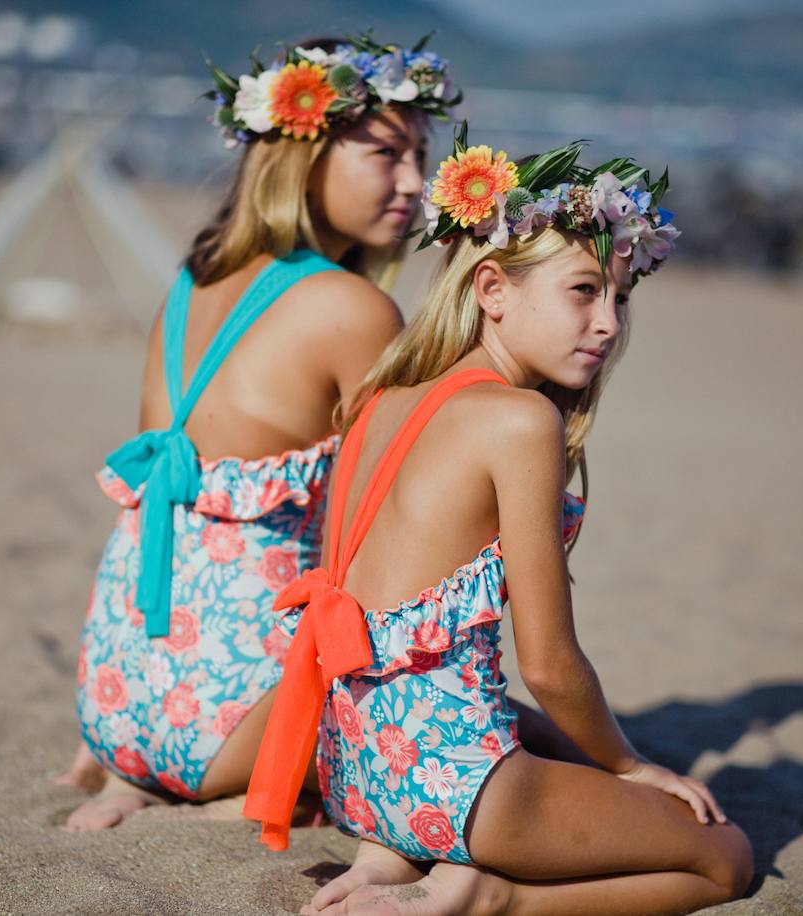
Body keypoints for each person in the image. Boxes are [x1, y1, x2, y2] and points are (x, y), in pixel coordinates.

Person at [245, 131, 753, 914]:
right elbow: (549, 666)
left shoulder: (383, 395)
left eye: (620, 297)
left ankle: (407, 858)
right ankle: (489, 897)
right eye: (584, 291)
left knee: (560, 743)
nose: (609, 323)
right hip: (455, 786)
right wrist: (627, 768)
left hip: (354, 770)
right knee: (724, 856)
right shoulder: (519, 423)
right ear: (492, 289)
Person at [59, 33, 462, 831]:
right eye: (387, 154)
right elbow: (413, 513)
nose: (417, 183)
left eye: (422, 155)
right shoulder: (350, 308)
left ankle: (136, 777)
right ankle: (251, 787)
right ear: (302, 155)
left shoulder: (194, 276)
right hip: (233, 726)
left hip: (113, 699)